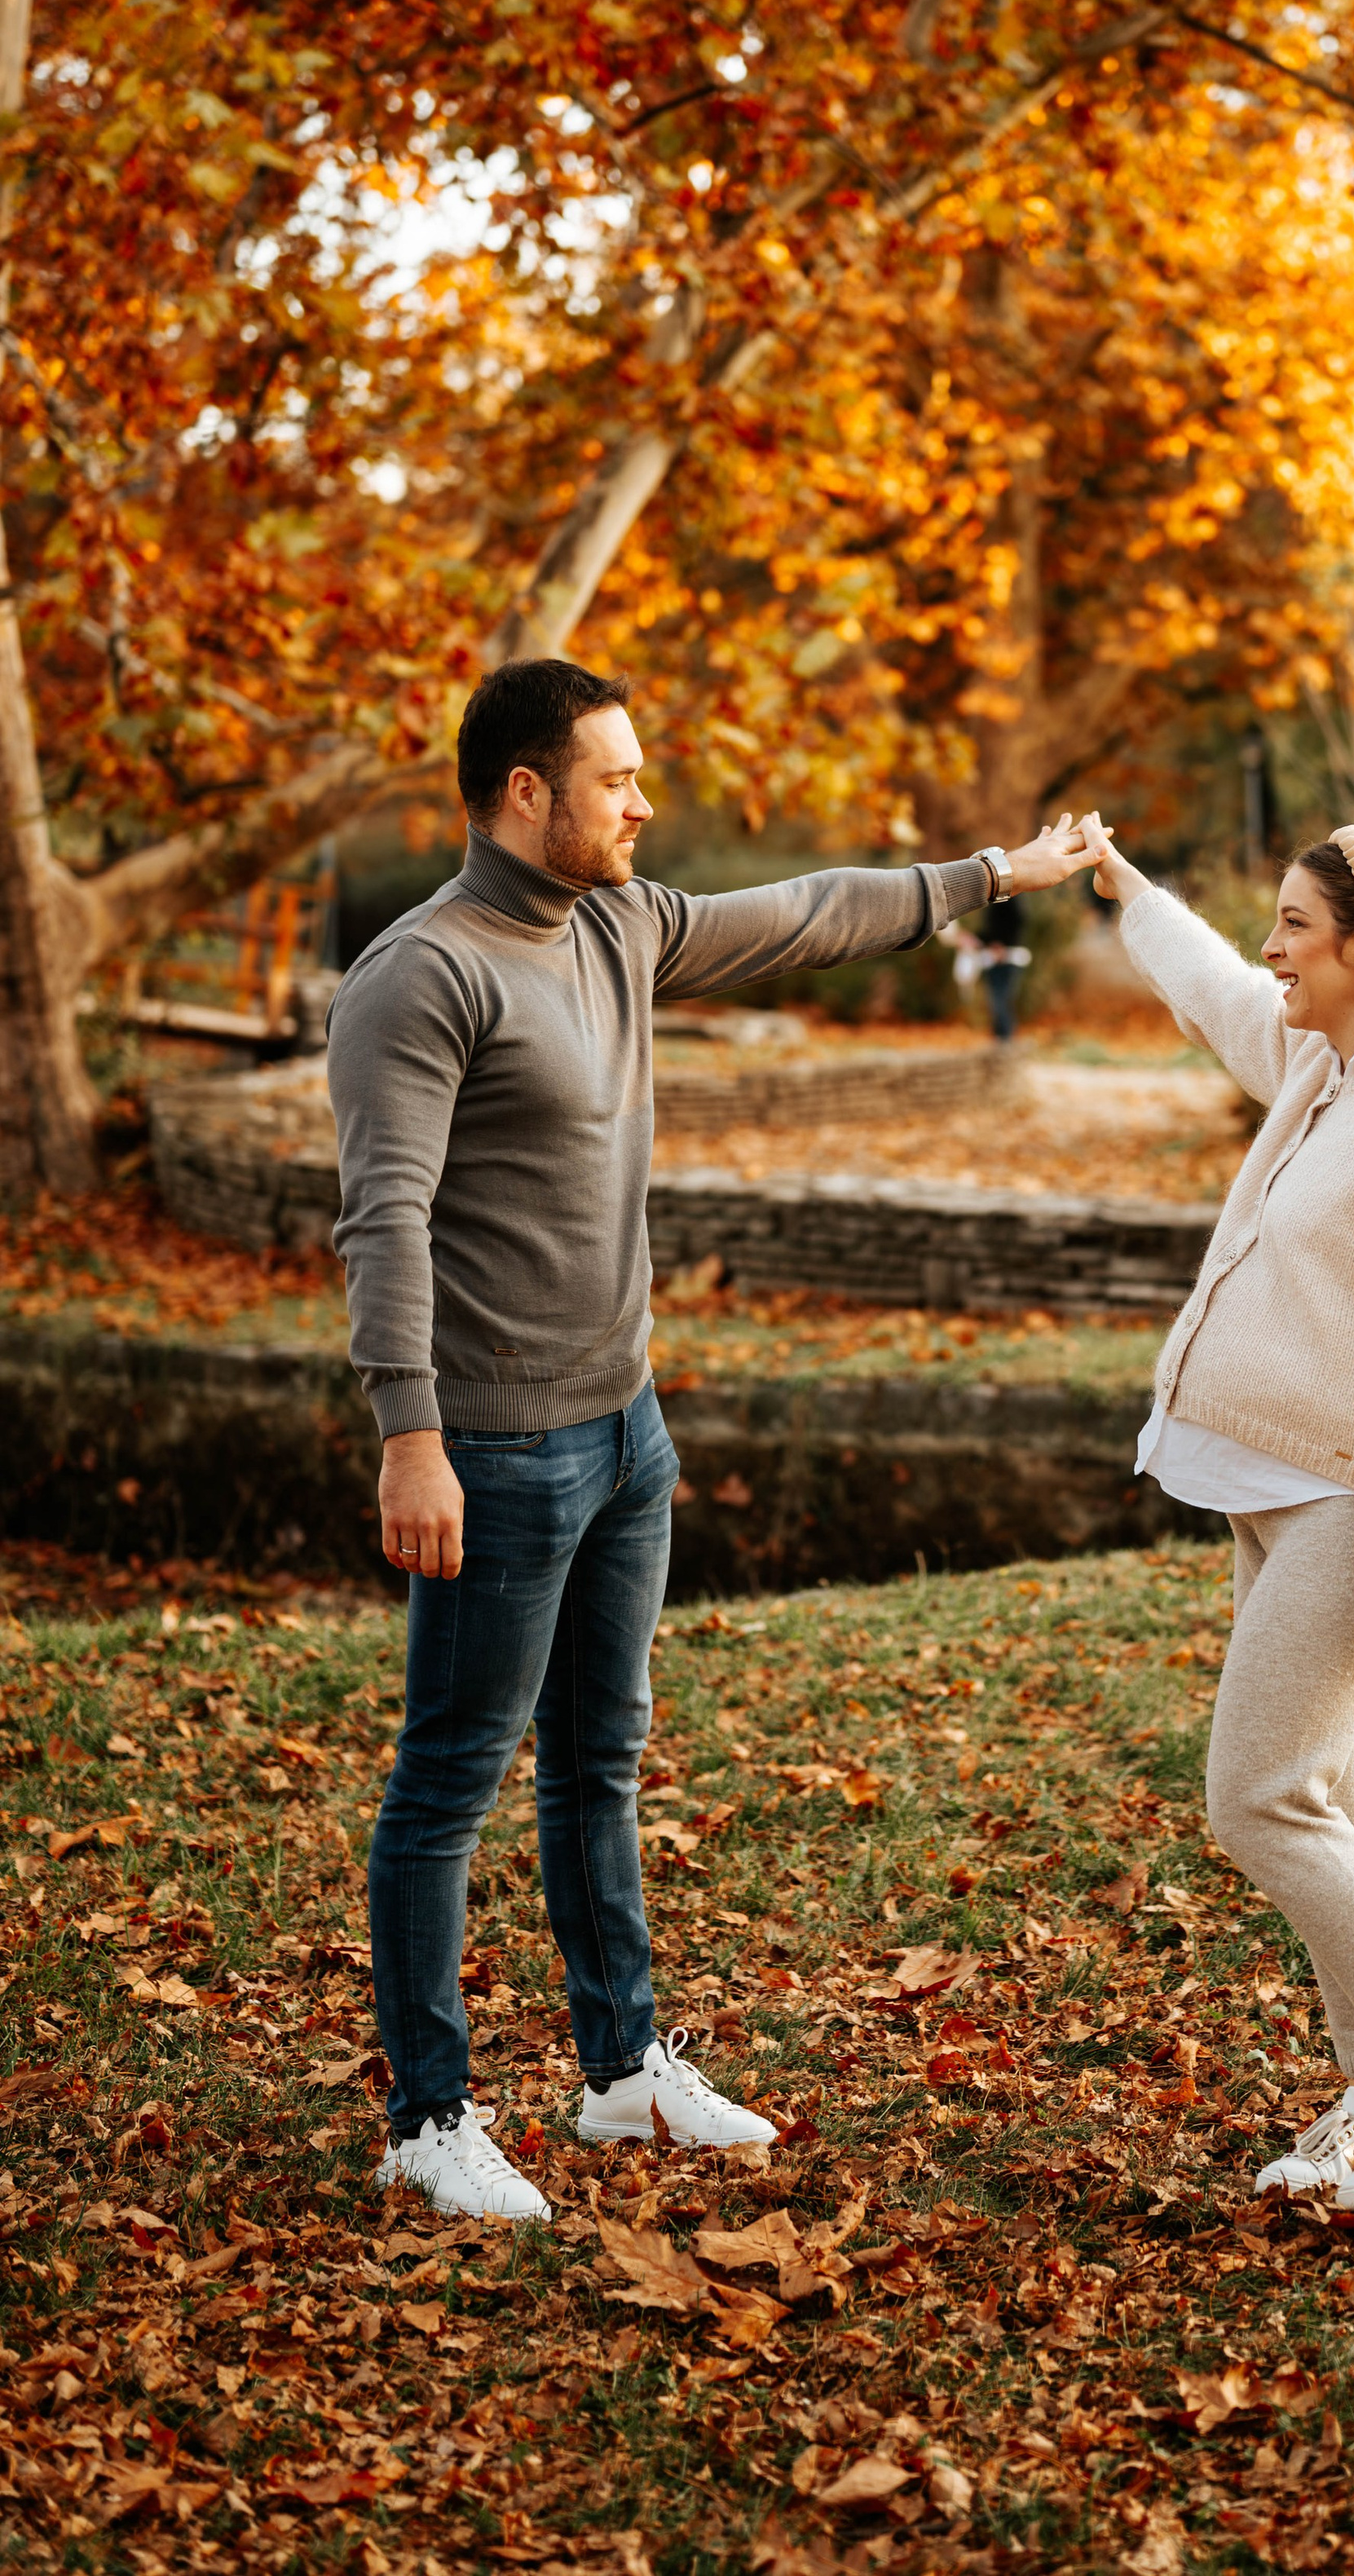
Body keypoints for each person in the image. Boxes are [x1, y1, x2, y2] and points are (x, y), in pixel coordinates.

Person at [328, 655, 1101, 2221]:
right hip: (497, 1447)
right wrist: (411, 1438)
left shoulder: (617, 923)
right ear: (525, 792)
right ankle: (429, 2118)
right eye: (616, 778)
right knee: (449, 1780)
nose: (644, 803)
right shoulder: (425, 973)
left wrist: (991, 877)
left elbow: (805, 911)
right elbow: (385, 1217)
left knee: (599, 1755)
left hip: (627, 1429)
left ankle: (622, 2076)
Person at [1080, 809, 1354, 2209]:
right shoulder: (1323, 1070)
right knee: (1336, 1802)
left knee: (1260, 1798)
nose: (1273, 949)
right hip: (1270, 1490)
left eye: (1295, 926)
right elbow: (1221, 987)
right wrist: (1123, 889)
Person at [941, 889, 1032, 1042]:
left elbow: (1018, 921)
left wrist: (1003, 945)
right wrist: (975, 939)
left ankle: (1005, 1042)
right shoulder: (997, 899)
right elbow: (992, 931)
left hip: (1007, 957)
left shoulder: (1012, 897)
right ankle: (1000, 1041)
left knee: (1000, 1001)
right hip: (992, 957)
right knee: (995, 1002)